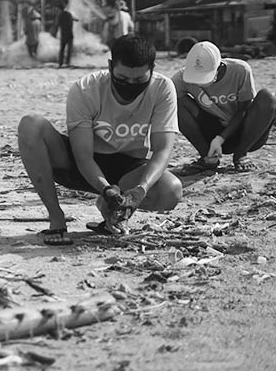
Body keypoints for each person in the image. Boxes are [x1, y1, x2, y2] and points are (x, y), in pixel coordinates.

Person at [17, 34, 182, 245]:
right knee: (31, 125)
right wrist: (105, 188)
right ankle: (56, 218)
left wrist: (140, 191)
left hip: (128, 168)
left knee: (171, 191)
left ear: (152, 68)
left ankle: (111, 211)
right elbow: (83, 156)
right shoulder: (86, 89)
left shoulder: (162, 89)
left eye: (139, 80)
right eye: (122, 79)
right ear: (111, 66)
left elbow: (162, 150)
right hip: (81, 163)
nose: (130, 86)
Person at [171, 41, 276, 174]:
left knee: (268, 98)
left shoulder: (240, 70)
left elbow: (243, 110)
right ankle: (208, 158)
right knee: (174, 102)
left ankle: (240, 155)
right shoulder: (182, 78)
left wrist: (220, 138)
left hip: (245, 133)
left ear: (219, 67)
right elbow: (162, 101)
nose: (199, 82)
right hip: (210, 131)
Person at [53, 1, 76, 68]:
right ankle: (67, 62)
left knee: (62, 49)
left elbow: (58, 24)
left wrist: (55, 33)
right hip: (70, 34)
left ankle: (61, 63)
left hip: (64, 34)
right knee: (69, 50)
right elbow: (73, 20)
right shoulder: (69, 14)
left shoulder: (60, 15)